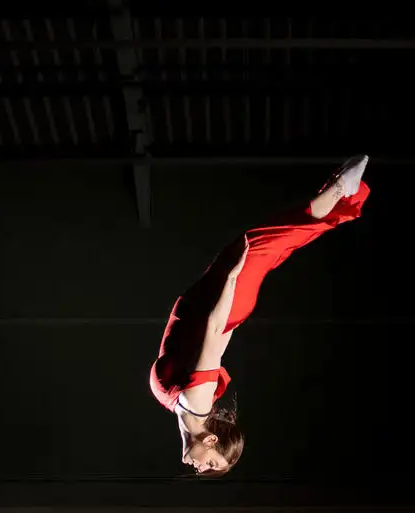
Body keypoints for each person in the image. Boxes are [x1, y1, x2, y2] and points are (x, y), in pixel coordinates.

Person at [149, 155, 371, 475]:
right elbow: (216, 332)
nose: (200, 467)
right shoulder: (197, 403)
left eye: (206, 469)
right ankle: (341, 190)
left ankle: (341, 190)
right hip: (221, 305)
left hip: (209, 304)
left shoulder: (184, 408)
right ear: (211, 439)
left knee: (273, 246)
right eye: (211, 463)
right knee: (262, 243)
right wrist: (231, 281)